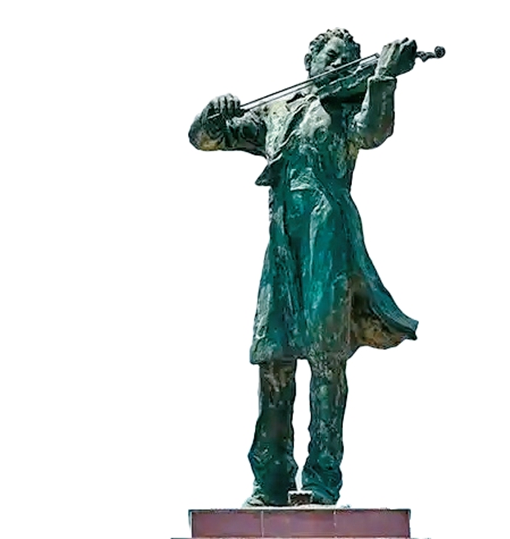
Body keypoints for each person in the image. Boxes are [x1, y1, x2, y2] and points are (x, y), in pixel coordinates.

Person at [188, 28, 419, 507]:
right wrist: (215, 111)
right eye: (331, 57)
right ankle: (270, 479)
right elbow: (206, 139)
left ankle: (322, 478)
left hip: (326, 231)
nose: (338, 66)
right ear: (309, 61)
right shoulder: (276, 111)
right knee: (273, 355)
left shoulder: (346, 106)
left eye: (347, 59)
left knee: (326, 355)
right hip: (282, 240)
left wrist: (383, 80)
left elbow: (372, 132)